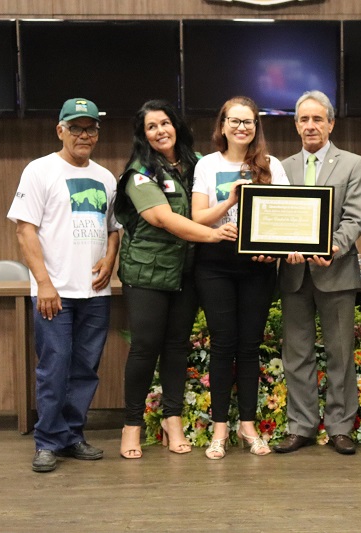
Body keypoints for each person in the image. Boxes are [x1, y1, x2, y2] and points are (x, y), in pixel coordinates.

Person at [115, 100, 238, 459]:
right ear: (143, 135)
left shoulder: (197, 163)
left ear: (176, 126)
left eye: (165, 123)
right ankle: (131, 426)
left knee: (176, 348)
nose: (160, 131)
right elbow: (164, 219)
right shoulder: (140, 173)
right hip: (147, 273)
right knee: (144, 348)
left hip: (186, 270)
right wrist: (215, 236)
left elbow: (205, 209)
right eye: (151, 127)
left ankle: (173, 420)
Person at [7, 98, 120, 473]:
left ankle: (72, 436)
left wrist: (110, 259)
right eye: (76, 128)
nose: (84, 135)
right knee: (53, 367)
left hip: (95, 294)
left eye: (90, 129)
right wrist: (44, 283)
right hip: (55, 293)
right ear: (61, 131)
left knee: (85, 368)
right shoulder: (39, 171)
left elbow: (114, 229)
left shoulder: (106, 177)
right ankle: (47, 442)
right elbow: (25, 231)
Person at [191, 96, 289, 459]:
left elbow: (284, 216)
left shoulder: (271, 165)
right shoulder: (206, 165)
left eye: (248, 122)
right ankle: (220, 430)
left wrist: (274, 248)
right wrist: (230, 201)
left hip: (258, 265)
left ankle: (247, 426)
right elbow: (197, 218)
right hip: (214, 263)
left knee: (249, 346)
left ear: (256, 127)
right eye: (234, 121)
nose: (241, 127)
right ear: (222, 125)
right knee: (222, 343)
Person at [272, 91, 361, 456]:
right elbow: (277, 218)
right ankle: (301, 427)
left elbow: (355, 217)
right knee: (297, 354)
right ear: (296, 125)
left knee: (340, 354)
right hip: (294, 275)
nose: (310, 126)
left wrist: (333, 247)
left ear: (330, 123)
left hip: (336, 270)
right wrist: (281, 246)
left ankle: (341, 427)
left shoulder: (353, 164)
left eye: (317, 119)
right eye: (304, 120)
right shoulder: (283, 168)